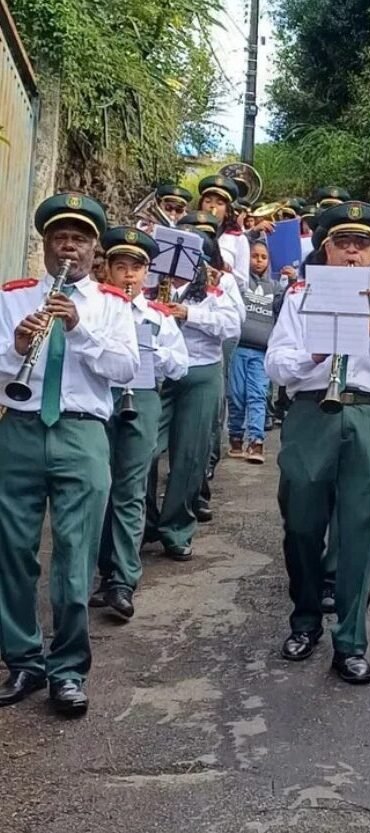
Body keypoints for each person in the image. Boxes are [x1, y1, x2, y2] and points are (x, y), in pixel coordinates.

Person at [265, 201, 370, 684]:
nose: (352, 254)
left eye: (361, 245)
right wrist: (316, 351)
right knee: (301, 524)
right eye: (342, 244)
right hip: (313, 409)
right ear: (327, 250)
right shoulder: (299, 296)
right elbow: (276, 364)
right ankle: (306, 618)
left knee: (362, 528)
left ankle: (351, 639)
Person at [0, 193, 139, 716]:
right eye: (59, 237)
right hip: (19, 427)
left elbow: (126, 370)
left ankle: (68, 670)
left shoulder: (111, 304)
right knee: (11, 551)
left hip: (82, 433)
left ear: (94, 249)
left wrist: (79, 330)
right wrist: (14, 348)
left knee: (75, 557)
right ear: (45, 245)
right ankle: (23, 662)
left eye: (79, 238)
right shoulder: (12, 297)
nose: (68, 246)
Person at [91, 227, 189, 620]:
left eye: (136, 268)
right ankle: (102, 571)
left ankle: (123, 579)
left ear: (147, 273)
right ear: (108, 271)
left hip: (144, 397)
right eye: (121, 267)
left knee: (130, 488)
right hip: (99, 396)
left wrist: (154, 353)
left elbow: (180, 366)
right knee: (98, 485)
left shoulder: (158, 317)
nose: (129, 276)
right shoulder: (95, 308)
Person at [145, 232, 241, 561]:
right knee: (144, 449)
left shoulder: (217, 287)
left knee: (189, 455)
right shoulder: (150, 281)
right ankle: (145, 522)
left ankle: (176, 528)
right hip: (158, 375)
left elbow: (232, 326)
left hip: (200, 372)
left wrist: (188, 314)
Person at [227, 240, 276, 463]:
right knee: (236, 396)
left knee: (257, 395)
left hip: (261, 353)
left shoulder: (276, 287)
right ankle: (235, 437)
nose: (258, 261)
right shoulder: (241, 285)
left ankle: (256, 441)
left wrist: (293, 278)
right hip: (238, 349)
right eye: (254, 256)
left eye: (263, 257)